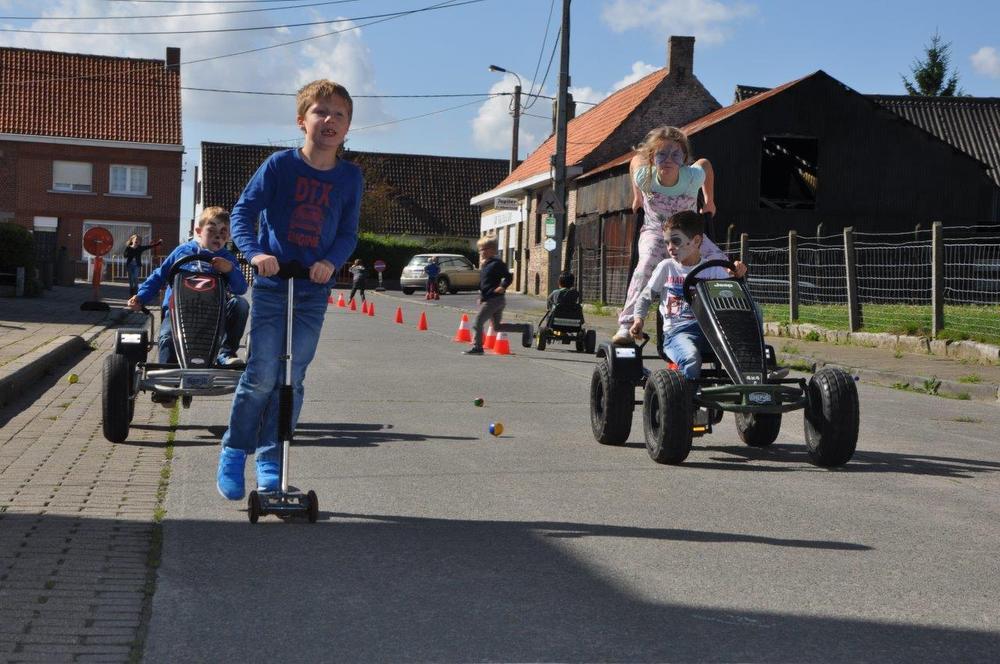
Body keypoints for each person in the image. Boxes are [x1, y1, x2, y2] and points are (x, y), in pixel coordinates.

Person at [217, 79, 363, 501]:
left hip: (313, 289)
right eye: (320, 112)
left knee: (292, 377)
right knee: (262, 373)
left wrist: (330, 262)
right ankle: (233, 449)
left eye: (339, 113)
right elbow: (244, 212)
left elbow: (348, 233)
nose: (329, 120)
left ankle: (270, 458)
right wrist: (255, 252)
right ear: (303, 121)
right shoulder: (280, 166)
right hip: (273, 283)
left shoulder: (351, 177)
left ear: (348, 125)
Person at [614, 125, 726, 345]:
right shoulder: (645, 176)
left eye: (675, 154)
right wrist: (637, 197)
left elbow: (705, 164)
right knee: (645, 264)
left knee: (721, 263)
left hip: (689, 236)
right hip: (656, 232)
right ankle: (627, 325)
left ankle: (726, 320)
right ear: (652, 157)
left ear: (683, 157)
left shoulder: (692, 176)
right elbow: (634, 161)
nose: (668, 159)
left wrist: (709, 199)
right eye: (661, 154)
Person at [127, 207, 250, 406]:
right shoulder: (182, 252)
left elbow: (241, 287)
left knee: (241, 304)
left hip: (213, 313)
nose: (218, 236)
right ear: (199, 231)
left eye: (223, 233)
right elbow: (160, 276)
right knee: (167, 335)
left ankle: (225, 353)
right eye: (212, 231)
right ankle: (167, 383)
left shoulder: (227, 259)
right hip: (179, 310)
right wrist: (140, 297)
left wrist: (230, 270)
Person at [629, 210, 747, 380]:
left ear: (696, 241)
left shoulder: (713, 269)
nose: (670, 248)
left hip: (712, 331)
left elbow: (735, 297)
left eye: (676, 241)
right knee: (691, 359)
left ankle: (759, 381)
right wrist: (638, 319)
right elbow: (646, 297)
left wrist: (738, 273)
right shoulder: (666, 267)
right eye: (667, 242)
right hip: (678, 332)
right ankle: (686, 401)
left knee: (747, 347)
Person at [463, 237, 512, 355]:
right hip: (492, 299)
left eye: (483, 249)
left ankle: (478, 348)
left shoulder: (497, 264)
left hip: (494, 299)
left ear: (491, 250)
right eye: (480, 249)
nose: (480, 252)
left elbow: (508, 276)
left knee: (477, 322)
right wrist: (482, 297)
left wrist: (503, 286)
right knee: (497, 327)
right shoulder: (486, 264)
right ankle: (525, 328)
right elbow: (485, 283)